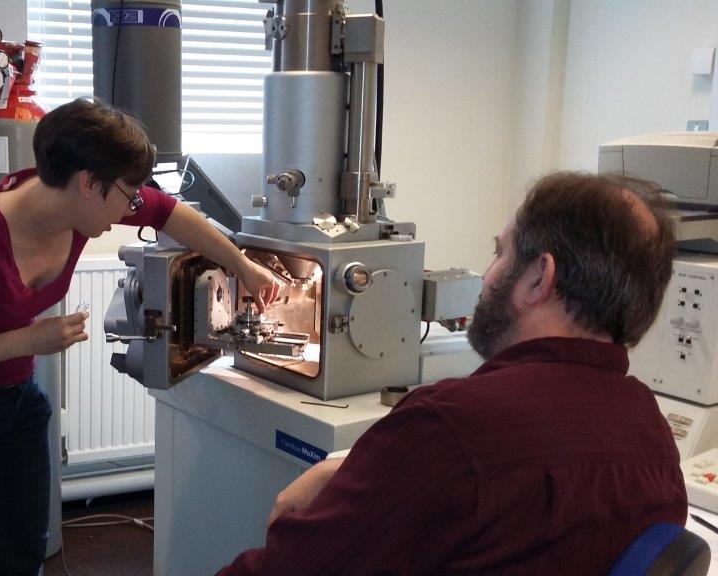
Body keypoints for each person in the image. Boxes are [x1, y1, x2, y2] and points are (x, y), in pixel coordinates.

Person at [0, 98, 279, 575]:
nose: (132, 207)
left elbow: (169, 213)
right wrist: (27, 341)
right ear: (88, 183)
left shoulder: (76, 207)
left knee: (22, 552)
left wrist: (244, 265)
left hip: (15, 401)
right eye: (127, 194)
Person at [218, 172, 686, 575]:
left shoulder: (449, 427)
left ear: (539, 278)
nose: (486, 276)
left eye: (500, 253)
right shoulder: (654, 439)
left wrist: (290, 518)